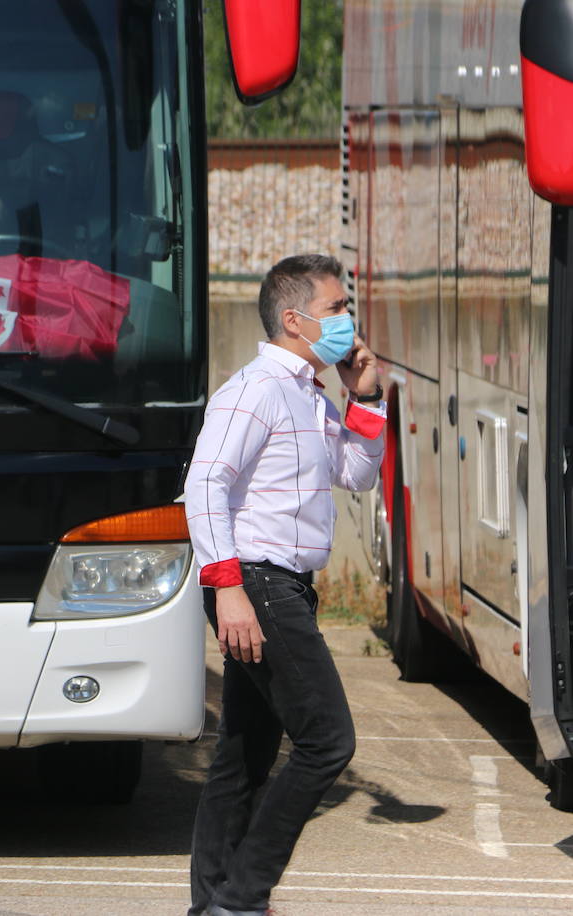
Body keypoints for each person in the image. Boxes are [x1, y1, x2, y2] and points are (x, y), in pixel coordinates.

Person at [183, 254, 386, 916]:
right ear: (295, 319)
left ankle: (212, 902)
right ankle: (243, 898)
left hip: (285, 588)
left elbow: (354, 474)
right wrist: (228, 588)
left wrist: (366, 398)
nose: (347, 321)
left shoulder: (308, 393)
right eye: (336, 309)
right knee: (328, 742)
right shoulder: (256, 389)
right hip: (258, 586)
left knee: (244, 755)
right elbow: (204, 483)